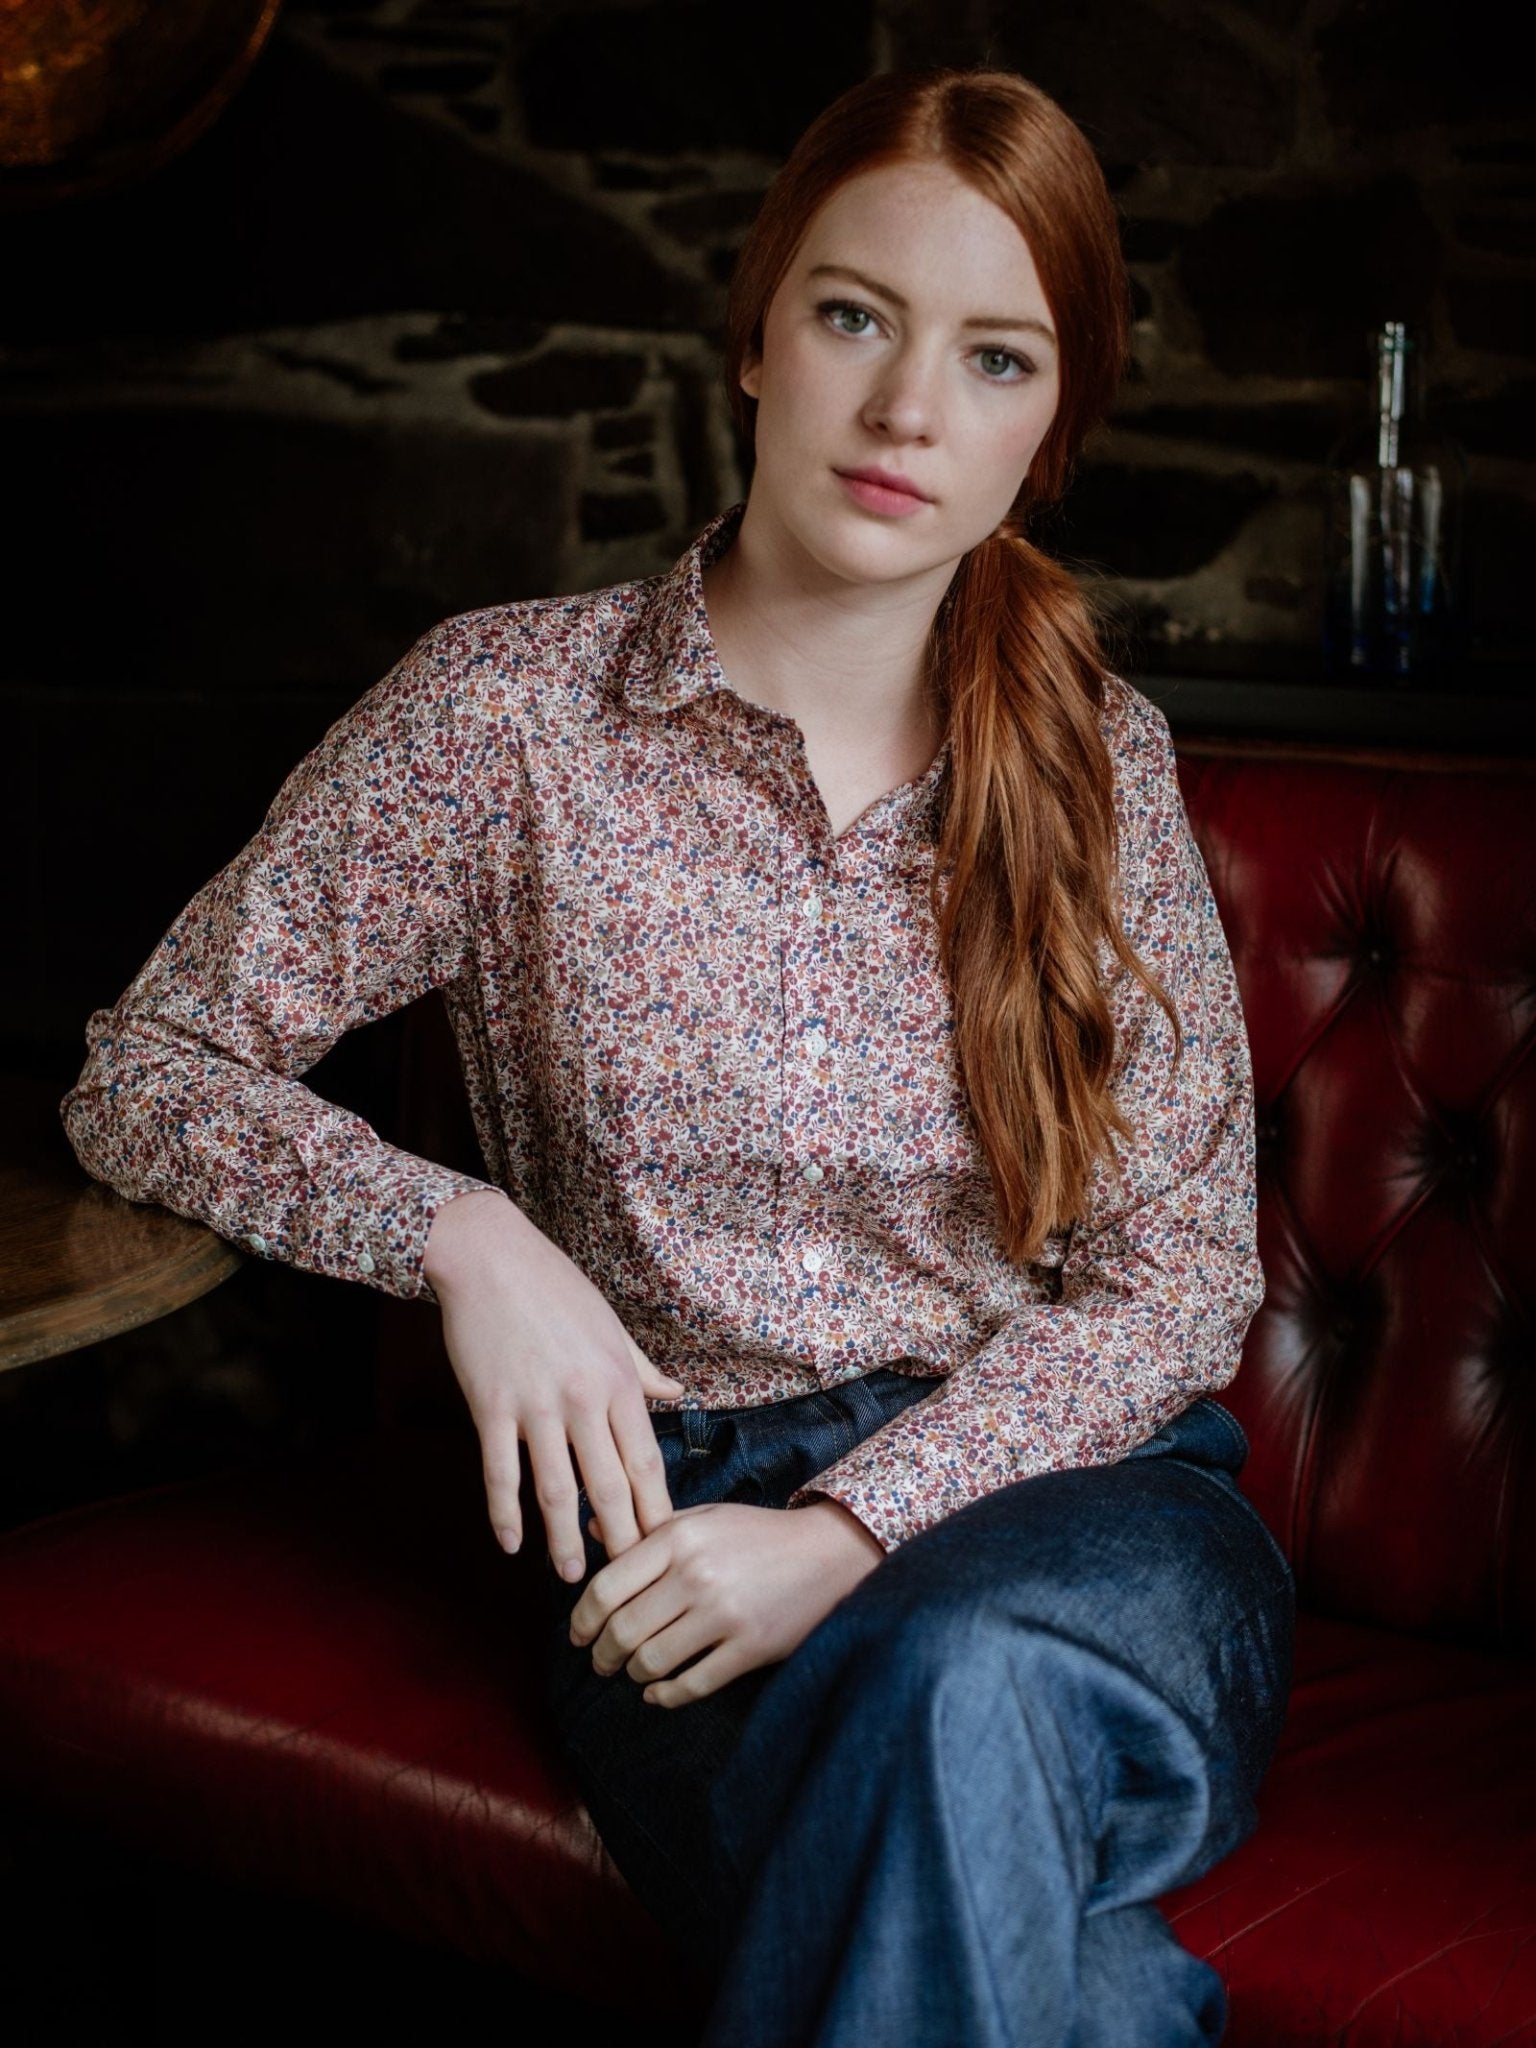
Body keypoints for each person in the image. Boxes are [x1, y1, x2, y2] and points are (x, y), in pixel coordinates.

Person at [63, 64, 1295, 2048]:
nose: (908, 410)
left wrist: (850, 1537)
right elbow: (148, 1070)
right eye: (855, 317)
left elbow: (1179, 1281)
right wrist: (460, 1232)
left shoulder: (1096, 765)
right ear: (752, 333)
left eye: (995, 358)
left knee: (959, 1674)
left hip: (1083, 1519)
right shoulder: (502, 720)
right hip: (668, 1536)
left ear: (1051, 426)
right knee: (1072, 1986)